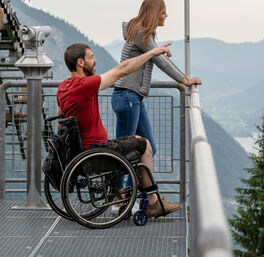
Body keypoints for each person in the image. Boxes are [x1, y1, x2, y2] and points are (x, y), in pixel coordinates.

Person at [56, 42, 181, 218]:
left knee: (132, 139)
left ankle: (121, 194)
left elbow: (60, 120)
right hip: (97, 154)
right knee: (144, 144)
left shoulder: (63, 87)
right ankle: (153, 202)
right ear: (80, 63)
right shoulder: (84, 85)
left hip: (83, 153)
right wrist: (152, 52)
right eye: (91, 57)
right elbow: (122, 69)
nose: (95, 60)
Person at [112, 0, 201, 159]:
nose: (166, 15)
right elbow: (161, 62)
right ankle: (118, 185)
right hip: (127, 97)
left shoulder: (144, 34)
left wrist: (184, 78)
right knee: (122, 152)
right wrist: (185, 80)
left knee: (149, 148)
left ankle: (135, 184)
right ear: (154, 14)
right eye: (163, 12)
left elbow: (163, 59)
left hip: (133, 97)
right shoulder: (141, 34)